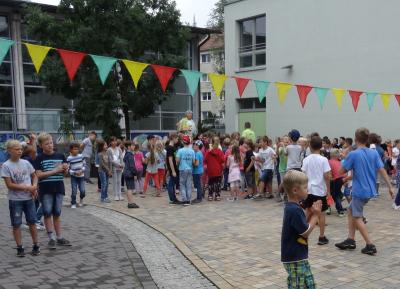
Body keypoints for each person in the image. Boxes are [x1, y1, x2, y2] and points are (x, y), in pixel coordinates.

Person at [335, 128, 395, 255]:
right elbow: (382, 170)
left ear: (356, 139)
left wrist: (344, 158)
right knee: (351, 211)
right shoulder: (373, 153)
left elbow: (340, 171)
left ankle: (370, 244)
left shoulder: (354, 154)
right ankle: (350, 240)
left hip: (359, 191)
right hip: (370, 190)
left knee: (357, 216)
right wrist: (390, 186)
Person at [281, 170, 321, 289]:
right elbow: (305, 232)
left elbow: (301, 225)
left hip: (298, 255)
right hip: (295, 257)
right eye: (305, 187)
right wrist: (316, 215)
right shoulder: (294, 210)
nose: (307, 190)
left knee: (309, 284)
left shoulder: (293, 207)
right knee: (298, 285)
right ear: (295, 190)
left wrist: (309, 213)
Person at [1, 140, 40, 257]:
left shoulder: (26, 163)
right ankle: (20, 247)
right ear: (9, 151)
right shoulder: (6, 166)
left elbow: (34, 176)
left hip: (29, 199)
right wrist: (26, 187)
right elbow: (10, 185)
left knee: (32, 222)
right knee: (16, 224)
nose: (19, 151)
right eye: (16, 149)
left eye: (20, 149)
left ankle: (36, 245)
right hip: (15, 200)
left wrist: (34, 187)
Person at [34, 133, 71, 249]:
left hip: (59, 188)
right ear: (41, 145)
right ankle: (51, 238)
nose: (50, 145)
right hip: (46, 189)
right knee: (47, 213)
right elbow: (38, 175)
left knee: (57, 213)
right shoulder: (39, 157)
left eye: (51, 143)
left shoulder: (60, 155)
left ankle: (59, 237)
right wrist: (56, 170)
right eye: (46, 144)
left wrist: (65, 169)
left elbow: (65, 174)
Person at [301, 136, 331, 245]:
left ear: (310, 146)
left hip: (308, 190)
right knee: (321, 213)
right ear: (321, 146)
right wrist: (328, 190)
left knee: (307, 211)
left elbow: (303, 175)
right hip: (320, 190)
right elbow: (327, 176)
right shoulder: (324, 159)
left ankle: (301, 231)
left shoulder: (306, 159)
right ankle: (321, 236)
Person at [176, 136, 196, 205]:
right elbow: (193, 162)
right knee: (189, 184)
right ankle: (189, 199)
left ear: (183, 142)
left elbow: (177, 161)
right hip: (190, 169)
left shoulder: (180, 150)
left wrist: (178, 164)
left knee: (182, 184)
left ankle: (184, 200)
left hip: (182, 169)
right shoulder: (192, 151)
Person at [205, 136, 225, 201]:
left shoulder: (208, 152)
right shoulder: (220, 152)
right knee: (217, 183)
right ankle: (217, 195)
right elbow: (223, 160)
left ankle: (210, 195)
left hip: (210, 170)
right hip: (218, 170)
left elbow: (205, 160)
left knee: (210, 183)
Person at [67, 143, 86, 209]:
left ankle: (81, 199)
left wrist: (81, 170)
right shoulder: (69, 158)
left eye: (77, 149)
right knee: (74, 190)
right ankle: (73, 202)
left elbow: (84, 165)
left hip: (81, 176)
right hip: (74, 177)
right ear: (71, 150)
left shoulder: (81, 156)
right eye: (74, 149)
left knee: (82, 190)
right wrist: (74, 172)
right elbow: (68, 168)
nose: (76, 150)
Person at [328, 148, 346, 216]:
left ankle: (340, 210)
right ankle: (329, 207)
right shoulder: (339, 162)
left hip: (334, 180)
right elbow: (344, 173)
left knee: (335, 195)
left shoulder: (329, 162)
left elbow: (328, 173)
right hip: (340, 179)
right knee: (336, 193)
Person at [123, 141, 139, 209]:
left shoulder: (127, 154)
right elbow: (132, 166)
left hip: (127, 173)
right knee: (130, 188)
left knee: (129, 188)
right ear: (129, 146)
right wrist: (135, 173)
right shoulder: (130, 155)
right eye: (133, 145)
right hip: (129, 173)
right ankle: (130, 203)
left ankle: (130, 202)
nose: (134, 146)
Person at [107, 137, 124, 201]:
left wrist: (122, 165)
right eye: (113, 141)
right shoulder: (109, 150)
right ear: (110, 142)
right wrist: (118, 165)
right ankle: (116, 195)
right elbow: (110, 160)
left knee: (119, 181)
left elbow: (121, 157)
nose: (114, 142)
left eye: (115, 141)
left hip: (120, 167)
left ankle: (120, 194)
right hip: (114, 167)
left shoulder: (119, 149)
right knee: (115, 181)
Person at [166, 134, 181, 204]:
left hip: (174, 168)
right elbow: (170, 160)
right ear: (173, 138)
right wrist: (173, 171)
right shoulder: (169, 148)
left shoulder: (172, 147)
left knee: (172, 183)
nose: (177, 140)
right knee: (171, 184)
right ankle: (173, 199)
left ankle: (173, 198)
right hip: (173, 169)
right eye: (177, 139)